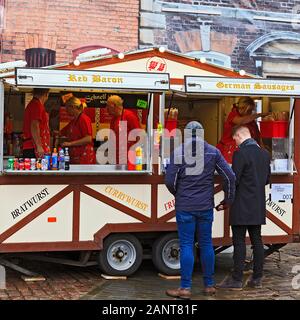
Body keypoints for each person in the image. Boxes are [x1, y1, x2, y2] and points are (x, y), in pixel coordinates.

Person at [165, 121, 236, 299]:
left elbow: (170, 181)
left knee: (186, 245)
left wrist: (179, 193)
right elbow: (229, 176)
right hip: (205, 206)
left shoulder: (179, 152)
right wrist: (228, 199)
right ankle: (209, 285)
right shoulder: (213, 152)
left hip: (185, 207)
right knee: (206, 244)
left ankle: (185, 288)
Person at [217, 125, 271, 290]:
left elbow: (234, 180)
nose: (236, 143)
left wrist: (227, 199)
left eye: (236, 139)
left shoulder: (240, 153)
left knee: (239, 242)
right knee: (257, 241)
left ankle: (237, 279)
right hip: (258, 204)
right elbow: (267, 179)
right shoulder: (264, 154)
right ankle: (257, 278)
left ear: (240, 135)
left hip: (241, 204)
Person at [216, 97, 270, 163]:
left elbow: (257, 137)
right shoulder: (233, 114)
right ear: (242, 108)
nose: (250, 112)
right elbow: (241, 121)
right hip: (229, 149)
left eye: (251, 110)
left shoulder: (251, 121)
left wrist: (263, 150)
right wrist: (259, 115)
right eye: (249, 110)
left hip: (245, 151)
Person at [59, 96, 96, 164]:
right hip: (76, 157)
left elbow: (88, 139)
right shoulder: (74, 121)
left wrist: (70, 144)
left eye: (67, 108)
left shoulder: (84, 119)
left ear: (73, 107)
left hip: (84, 157)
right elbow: (61, 132)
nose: (66, 111)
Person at [106, 95, 141, 164]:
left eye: (108, 106)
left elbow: (139, 136)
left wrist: (138, 159)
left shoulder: (129, 116)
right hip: (117, 158)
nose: (106, 108)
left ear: (114, 105)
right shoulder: (113, 119)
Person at [22, 88, 50, 158]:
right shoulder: (36, 105)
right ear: (46, 94)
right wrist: (39, 146)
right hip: (33, 146)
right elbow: (34, 125)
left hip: (31, 146)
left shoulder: (34, 104)